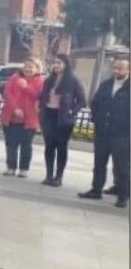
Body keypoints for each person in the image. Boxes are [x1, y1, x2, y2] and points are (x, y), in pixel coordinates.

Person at [78, 57, 130, 208]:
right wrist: (96, 118)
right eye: (115, 68)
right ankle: (96, 189)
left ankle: (122, 195)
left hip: (122, 134)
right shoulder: (106, 84)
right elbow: (95, 103)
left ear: (128, 70)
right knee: (99, 163)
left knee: (121, 166)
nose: (116, 71)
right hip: (103, 132)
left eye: (120, 68)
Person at [38, 54, 86, 187]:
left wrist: (72, 112)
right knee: (49, 147)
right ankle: (49, 175)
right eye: (54, 63)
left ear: (65, 64)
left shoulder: (73, 80)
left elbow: (82, 100)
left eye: (59, 63)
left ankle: (58, 177)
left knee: (61, 147)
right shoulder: (49, 79)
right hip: (49, 116)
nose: (56, 65)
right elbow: (43, 96)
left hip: (63, 118)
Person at [0, 58, 44, 178]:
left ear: (37, 69)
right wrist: (15, 109)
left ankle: (24, 169)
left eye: (31, 67)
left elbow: (37, 96)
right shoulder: (14, 78)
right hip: (11, 117)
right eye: (26, 66)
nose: (28, 69)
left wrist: (25, 87)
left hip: (29, 119)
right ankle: (11, 167)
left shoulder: (40, 81)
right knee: (11, 144)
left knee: (26, 145)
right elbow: (7, 93)